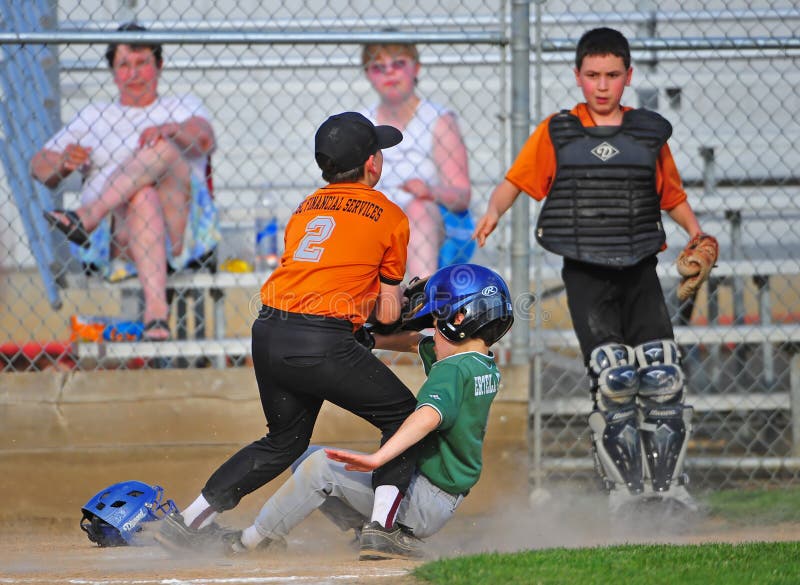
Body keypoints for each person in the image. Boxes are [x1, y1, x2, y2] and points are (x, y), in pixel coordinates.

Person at [155, 112, 421, 558]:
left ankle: (190, 520)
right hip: (322, 340)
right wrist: (404, 307)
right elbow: (390, 313)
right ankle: (382, 528)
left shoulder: (306, 208)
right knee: (404, 419)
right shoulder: (390, 215)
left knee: (284, 441)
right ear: (372, 165)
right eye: (379, 152)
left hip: (270, 332)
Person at [473, 28, 711, 512]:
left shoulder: (648, 132)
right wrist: (494, 212)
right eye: (593, 75)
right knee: (614, 377)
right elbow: (516, 180)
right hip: (586, 271)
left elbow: (672, 194)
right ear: (578, 77)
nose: (602, 85)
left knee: (663, 372)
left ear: (628, 76)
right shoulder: (558, 131)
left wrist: (695, 231)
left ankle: (668, 491)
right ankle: (624, 494)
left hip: (640, 266)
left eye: (612, 75)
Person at [212, 263, 514, 560]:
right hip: (438, 498)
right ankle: (370, 532)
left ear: (460, 319)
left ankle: (253, 540)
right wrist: (369, 340)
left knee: (320, 466)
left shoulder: (452, 370)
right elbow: (416, 344)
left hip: (423, 500)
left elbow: (426, 417)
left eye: (435, 322)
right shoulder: (479, 362)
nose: (431, 330)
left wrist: (378, 458)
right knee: (307, 458)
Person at [31, 22, 219, 341]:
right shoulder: (94, 115)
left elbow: (204, 139)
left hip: (178, 232)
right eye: (124, 65)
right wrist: (63, 161)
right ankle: (156, 314)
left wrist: (170, 130)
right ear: (113, 72)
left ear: (159, 65)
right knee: (142, 195)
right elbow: (38, 166)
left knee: (161, 148)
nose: (133, 74)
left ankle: (87, 215)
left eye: (142, 63)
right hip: (117, 240)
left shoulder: (180, 107)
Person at [361, 39, 473, 279]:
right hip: (376, 215)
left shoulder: (438, 119)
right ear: (368, 75)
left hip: (434, 220)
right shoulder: (362, 122)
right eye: (378, 67)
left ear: (416, 68)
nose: (389, 72)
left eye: (398, 63)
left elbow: (462, 195)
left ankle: (421, 300)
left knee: (418, 211)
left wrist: (429, 191)